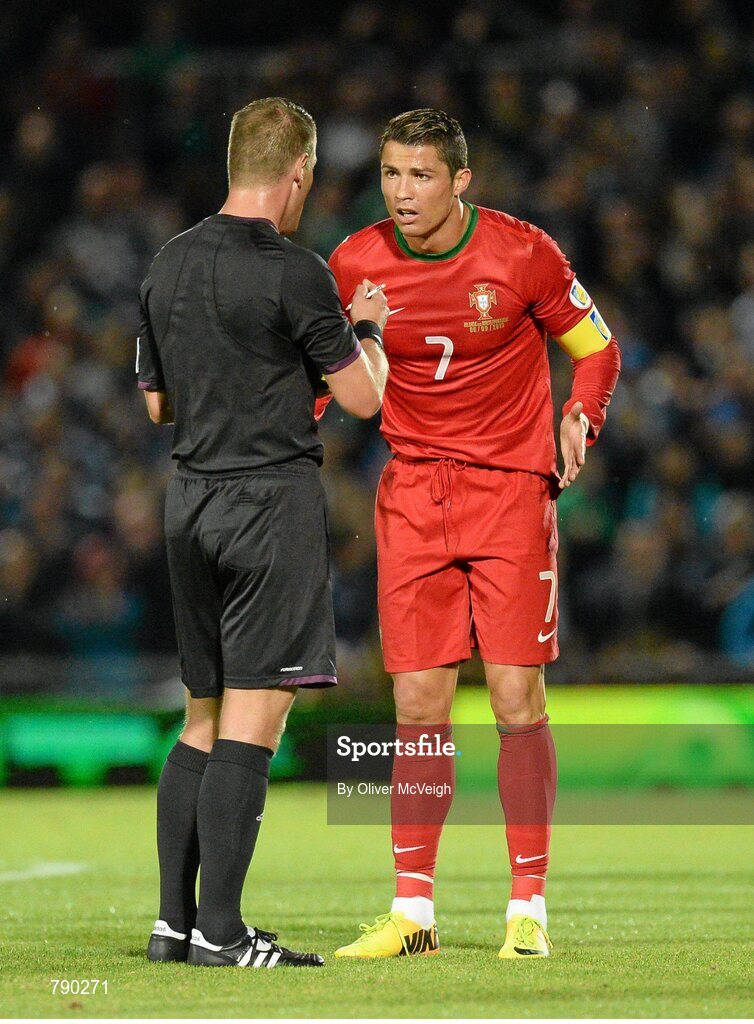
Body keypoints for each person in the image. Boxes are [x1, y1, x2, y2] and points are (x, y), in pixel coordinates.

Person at [327, 109, 620, 959]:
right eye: (390, 174)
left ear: (461, 180)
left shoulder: (523, 253)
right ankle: (413, 913)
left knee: (514, 702)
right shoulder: (355, 261)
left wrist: (580, 415)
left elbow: (595, 349)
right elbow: (336, 374)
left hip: (508, 494)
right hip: (414, 493)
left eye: (420, 176)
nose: (402, 193)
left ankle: (527, 906)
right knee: (417, 705)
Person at [137, 97, 388, 968]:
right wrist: (366, 329)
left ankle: (175, 925)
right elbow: (363, 399)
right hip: (268, 507)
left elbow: (157, 402)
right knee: (255, 723)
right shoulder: (295, 271)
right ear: (297, 174)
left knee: (200, 720)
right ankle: (223, 933)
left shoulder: (166, 265)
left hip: (189, 502)